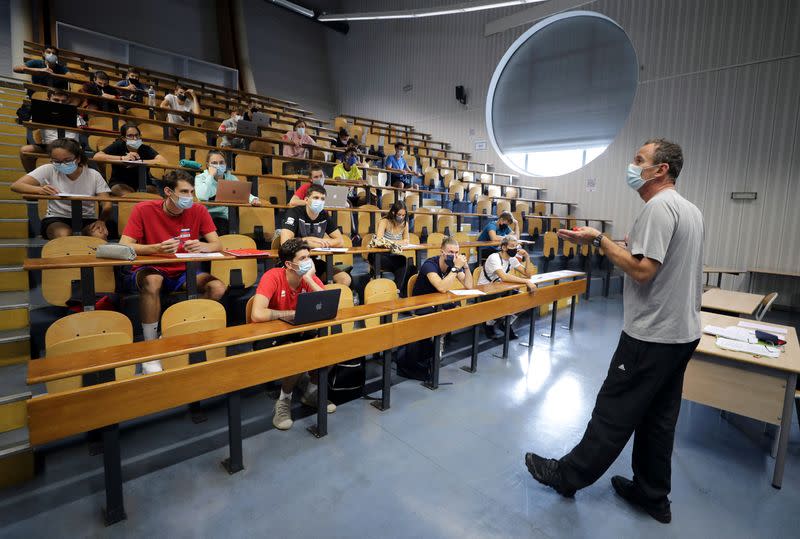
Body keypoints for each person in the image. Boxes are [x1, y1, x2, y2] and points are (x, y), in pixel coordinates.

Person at [524, 139, 704, 525]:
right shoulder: (688, 209)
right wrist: (607, 242)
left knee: (613, 411)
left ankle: (567, 476)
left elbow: (642, 270)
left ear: (661, 170)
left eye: (640, 160)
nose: (632, 165)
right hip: (682, 334)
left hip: (651, 334)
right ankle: (653, 495)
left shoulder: (658, 208)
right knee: (658, 419)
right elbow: (649, 254)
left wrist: (600, 240)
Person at [119, 170, 227, 374]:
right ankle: (150, 349)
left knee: (217, 288)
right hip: (151, 267)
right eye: (184, 191)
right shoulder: (143, 209)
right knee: (152, 281)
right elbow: (124, 246)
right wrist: (155, 249)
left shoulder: (199, 210)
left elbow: (217, 244)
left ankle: (173, 334)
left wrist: (204, 246)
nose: (190, 197)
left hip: (184, 270)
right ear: (168, 191)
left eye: (192, 191)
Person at [250, 238, 337, 430]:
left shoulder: (308, 276)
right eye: (303, 258)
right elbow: (257, 314)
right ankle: (284, 400)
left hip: (300, 331)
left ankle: (311, 392)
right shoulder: (272, 276)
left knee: (331, 346)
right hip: (270, 337)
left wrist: (308, 279)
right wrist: (289, 313)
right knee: (296, 352)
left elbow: (328, 304)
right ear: (289, 264)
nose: (309, 262)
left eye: (309, 257)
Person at [11, 138, 111, 239]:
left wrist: (101, 220)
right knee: (63, 235)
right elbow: (16, 185)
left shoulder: (94, 174)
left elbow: (106, 202)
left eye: (67, 160)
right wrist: (40, 190)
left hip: (87, 219)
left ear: (78, 158)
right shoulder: (49, 169)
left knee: (99, 236)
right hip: (56, 218)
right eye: (57, 161)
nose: (62, 164)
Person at [280, 185, 352, 287]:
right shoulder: (294, 212)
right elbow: (285, 242)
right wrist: (308, 241)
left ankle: (325, 302)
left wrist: (318, 243)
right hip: (295, 262)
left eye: (322, 199)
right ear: (306, 200)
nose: (319, 201)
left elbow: (340, 241)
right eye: (316, 198)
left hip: (314, 261)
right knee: (306, 281)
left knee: (345, 279)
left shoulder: (324, 215)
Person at [476, 235, 536, 339]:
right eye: (512, 246)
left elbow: (528, 274)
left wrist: (527, 257)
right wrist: (526, 281)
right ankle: (489, 324)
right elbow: (503, 277)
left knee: (524, 301)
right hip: (486, 290)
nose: (515, 249)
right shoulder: (494, 257)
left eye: (516, 246)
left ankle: (505, 323)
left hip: (500, 289)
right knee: (506, 302)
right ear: (504, 247)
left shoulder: (512, 259)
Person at [194, 150, 262, 235]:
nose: (218, 166)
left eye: (221, 162)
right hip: (205, 216)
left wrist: (253, 199)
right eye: (214, 163)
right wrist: (210, 176)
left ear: (225, 164)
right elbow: (202, 196)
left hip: (222, 218)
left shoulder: (231, 178)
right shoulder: (200, 178)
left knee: (223, 227)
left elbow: (243, 192)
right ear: (208, 165)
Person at [19, 88, 86, 172]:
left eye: (63, 101)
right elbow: (30, 127)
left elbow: (84, 130)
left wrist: (80, 127)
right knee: (24, 150)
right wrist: (41, 118)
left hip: (71, 145)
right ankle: (33, 175)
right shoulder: (41, 112)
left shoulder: (75, 115)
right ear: (48, 100)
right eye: (56, 100)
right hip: (49, 145)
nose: (60, 103)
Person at [93, 124, 167, 196]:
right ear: (124, 138)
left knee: (157, 197)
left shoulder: (145, 148)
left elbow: (163, 161)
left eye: (137, 135)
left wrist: (139, 162)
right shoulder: (118, 145)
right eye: (130, 136)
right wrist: (122, 158)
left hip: (144, 183)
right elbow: (97, 157)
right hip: (120, 183)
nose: (135, 138)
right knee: (130, 196)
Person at [369, 201, 413, 295]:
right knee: (399, 262)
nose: (401, 217)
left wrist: (392, 242)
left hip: (391, 254)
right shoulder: (384, 221)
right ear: (393, 212)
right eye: (399, 214)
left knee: (403, 260)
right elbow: (379, 240)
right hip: (378, 254)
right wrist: (397, 243)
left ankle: (396, 290)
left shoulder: (405, 224)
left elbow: (406, 241)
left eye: (403, 215)